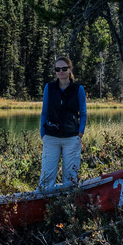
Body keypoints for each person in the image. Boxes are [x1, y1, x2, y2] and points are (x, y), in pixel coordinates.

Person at [39, 56, 86, 191]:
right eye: (57, 69)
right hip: (51, 137)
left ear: (70, 69)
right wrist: (43, 134)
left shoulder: (78, 89)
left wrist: (80, 133)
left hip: (71, 138)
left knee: (70, 177)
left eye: (64, 69)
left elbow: (83, 113)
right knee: (47, 176)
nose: (61, 72)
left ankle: (68, 206)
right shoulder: (49, 88)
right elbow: (44, 112)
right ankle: (45, 205)